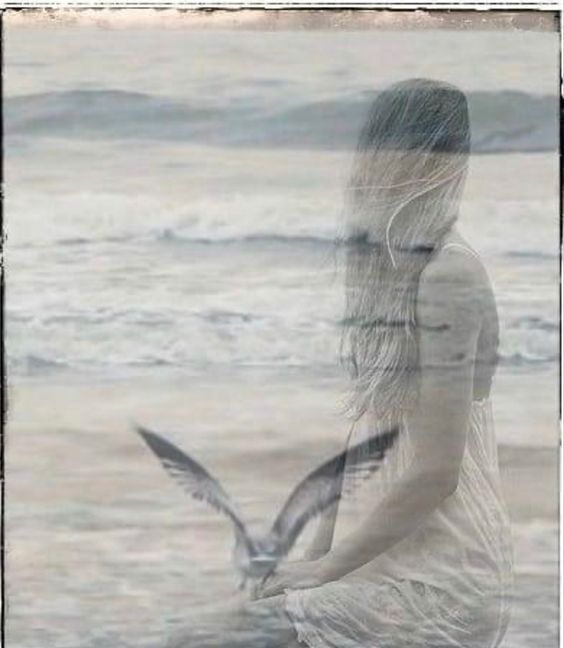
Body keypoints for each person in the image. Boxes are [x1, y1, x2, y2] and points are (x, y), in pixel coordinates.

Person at [168, 77, 514, 648]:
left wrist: (327, 569)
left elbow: (437, 470)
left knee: (210, 639)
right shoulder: (397, 264)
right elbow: (367, 436)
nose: (372, 166)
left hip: (442, 581)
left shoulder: (450, 274)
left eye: (392, 150)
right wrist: (315, 558)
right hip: (383, 562)